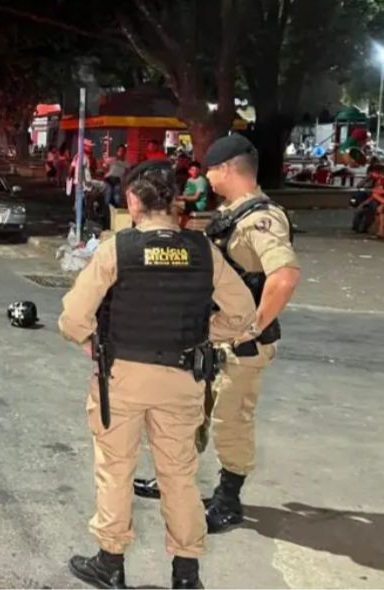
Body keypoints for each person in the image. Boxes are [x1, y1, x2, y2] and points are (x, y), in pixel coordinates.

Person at [60, 160, 257, 589]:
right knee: (179, 476)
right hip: (182, 377)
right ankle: (186, 575)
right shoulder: (204, 250)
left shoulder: (119, 248)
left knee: (115, 468)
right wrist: (203, 335)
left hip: (123, 378)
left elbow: (73, 318)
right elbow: (243, 314)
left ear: (132, 200)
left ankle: (110, 564)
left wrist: (92, 342)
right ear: (174, 202)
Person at [133, 135, 301, 535]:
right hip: (213, 337)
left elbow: (284, 277)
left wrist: (252, 328)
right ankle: (176, 480)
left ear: (227, 169)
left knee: (230, 420)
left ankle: (228, 499)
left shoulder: (262, 219)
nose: (205, 176)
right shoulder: (234, 213)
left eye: (210, 169)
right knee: (192, 412)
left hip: (240, 346)